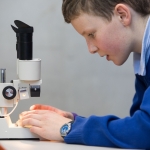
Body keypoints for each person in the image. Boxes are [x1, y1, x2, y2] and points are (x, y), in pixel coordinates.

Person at [17, 0, 150, 149]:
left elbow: (144, 132)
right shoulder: (143, 60)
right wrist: (74, 123)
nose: (91, 49)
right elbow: (134, 131)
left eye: (91, 34)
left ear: (122, 15)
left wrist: (68, 129)